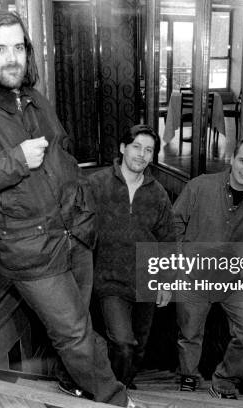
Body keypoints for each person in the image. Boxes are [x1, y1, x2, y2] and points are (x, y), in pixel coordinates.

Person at [0, 9, 127, 406]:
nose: (12, 58)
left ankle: (74, 381)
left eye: (18, 47)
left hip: (75, 234)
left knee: (78, 327)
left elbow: (63, 158)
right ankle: (116, 399)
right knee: (74, 332)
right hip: (31, 250)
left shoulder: (36, 99)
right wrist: (16, 160)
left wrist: (82, 206)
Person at [172, 138, 243, 399]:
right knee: (190, 332)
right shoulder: (199, 186)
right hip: (194, 274)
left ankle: (225, 382)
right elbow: (173, 224)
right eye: (242, 160)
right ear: (232, 159)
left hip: (234, 278)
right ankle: (188, 375)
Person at [89, 124, 174, 389]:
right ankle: (113, 393)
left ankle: (123, 383)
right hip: (110, 279)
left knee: (138, 347)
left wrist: (167, 281)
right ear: (123, 148)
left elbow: (168, 241)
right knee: (123, 344)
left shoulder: (158, 193)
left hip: (145, 280)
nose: (142, 154)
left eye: (148, 150)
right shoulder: (97, 184)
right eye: (136, 147)